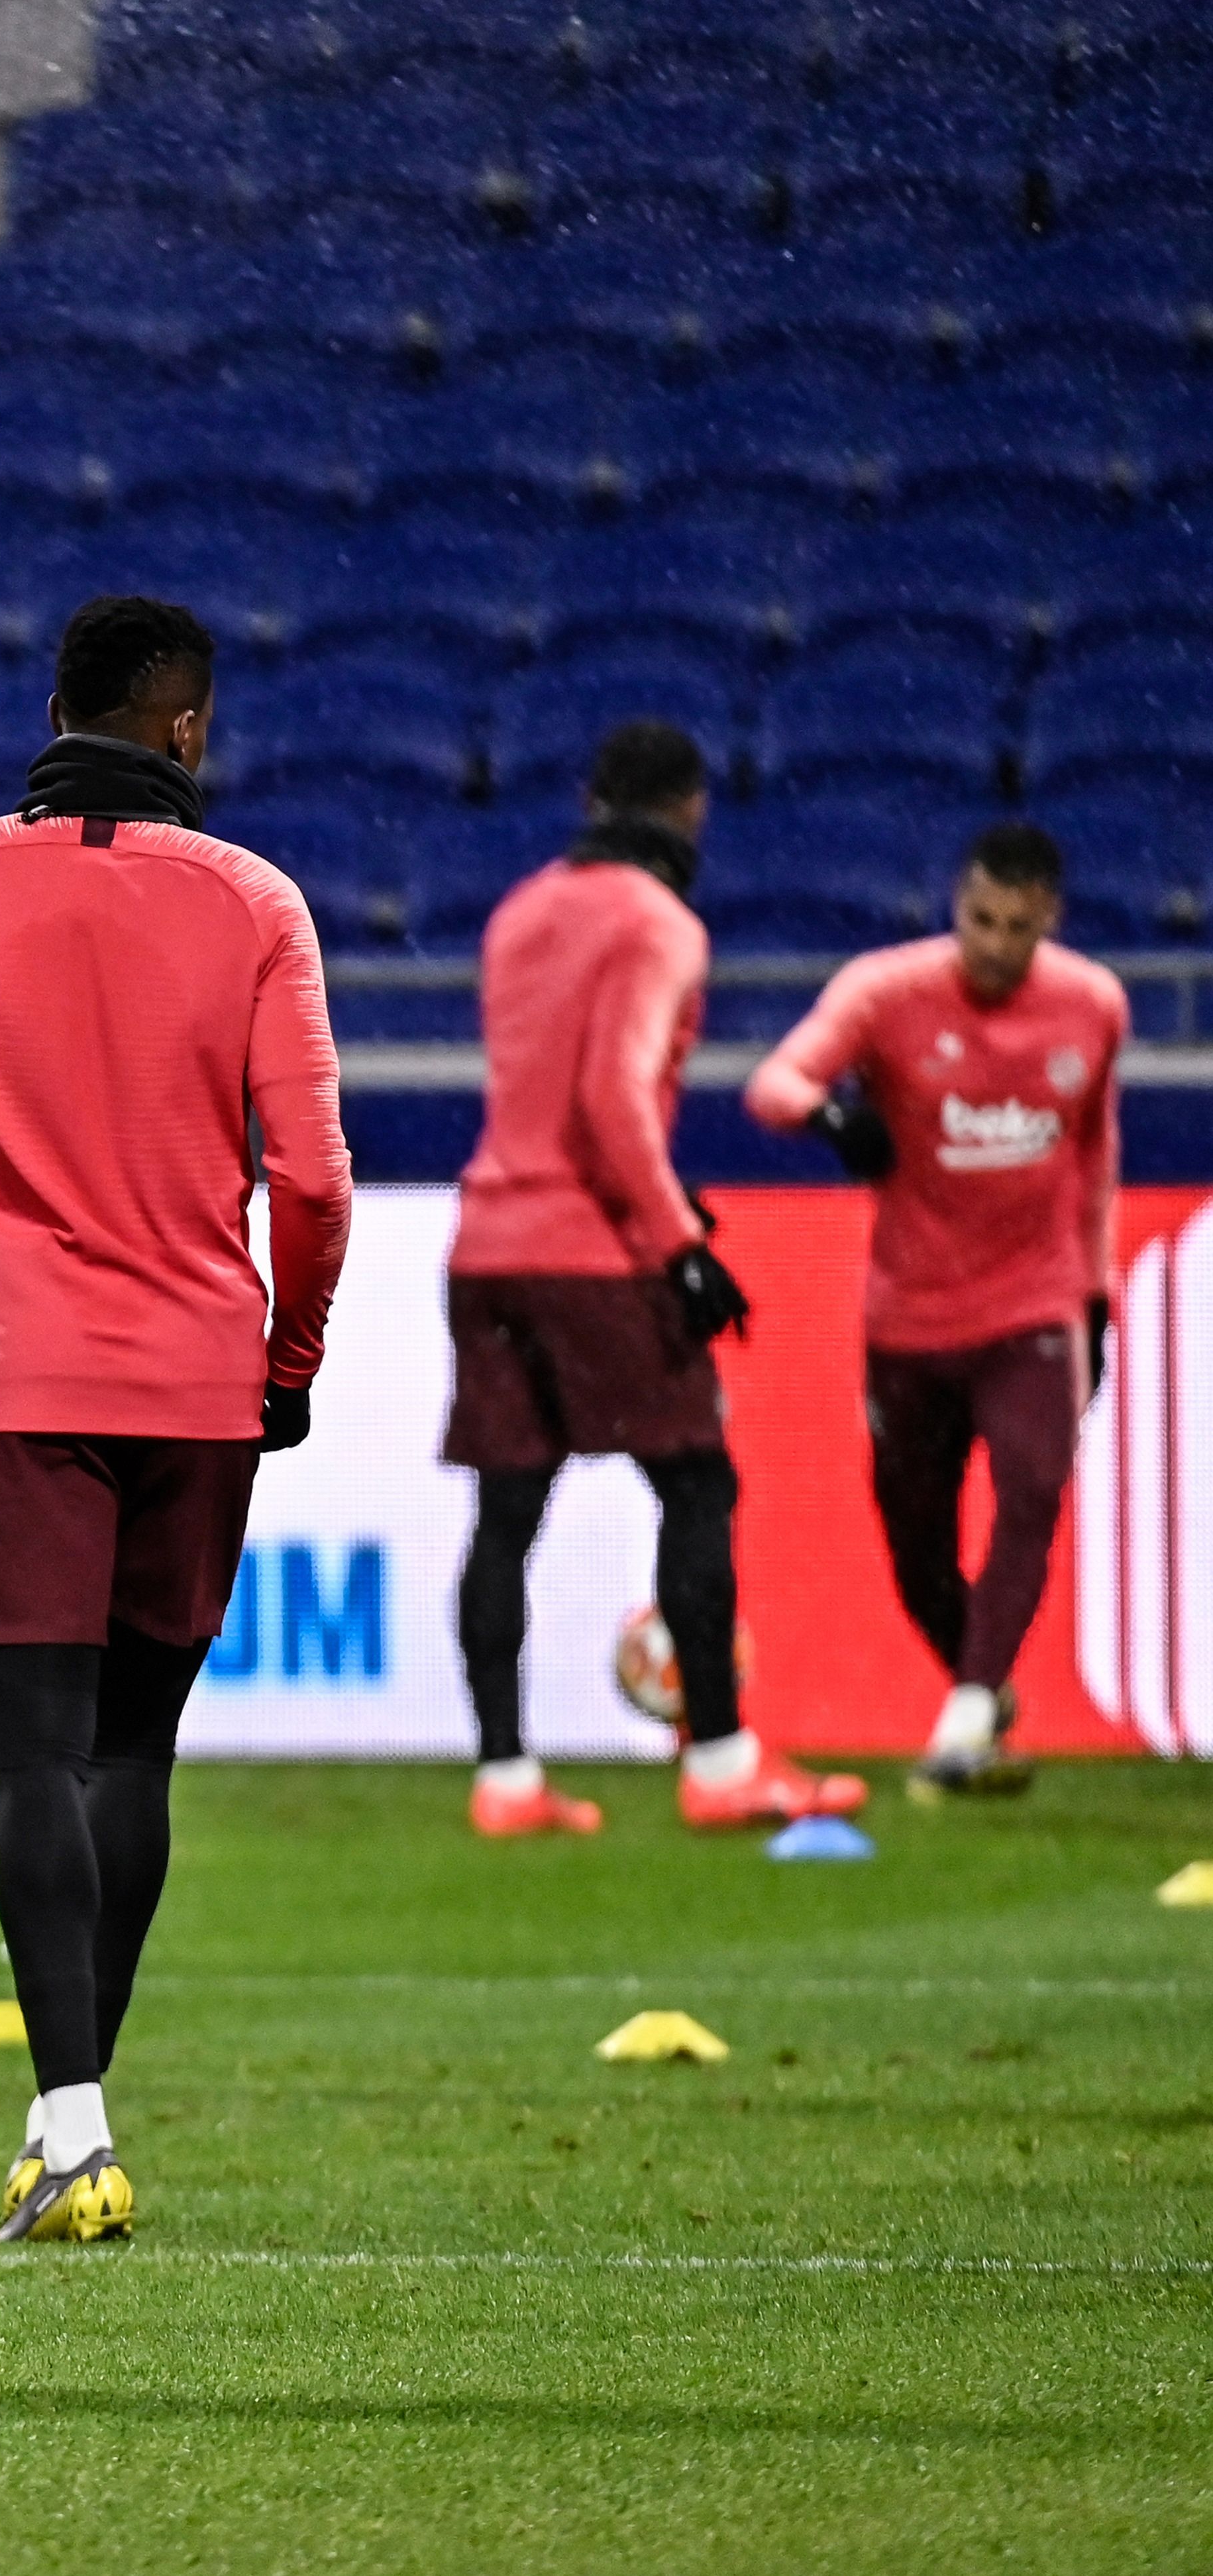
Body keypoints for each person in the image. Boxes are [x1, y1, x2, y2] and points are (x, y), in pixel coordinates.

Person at [0, 595, 351, 2246]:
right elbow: (317, 1180)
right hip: (198, 1383)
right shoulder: (259, 902)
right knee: (136, 1754)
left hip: (19, 1382)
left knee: (32, 1759)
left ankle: (73, 2129)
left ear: (52, 705)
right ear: (189, 729)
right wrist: (287, 1356)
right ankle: (72, 2118)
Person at [445, 721, 864, 1836]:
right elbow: (613, 1103)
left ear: (590, 800)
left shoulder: (519, 911)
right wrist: (681, 1246)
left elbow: (540, 1091)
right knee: (694, 1482)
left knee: (505, 1513)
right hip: (593, 1247)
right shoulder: (661, 925)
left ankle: (504, 1782)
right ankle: (723, 1765)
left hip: (486, 1240)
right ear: (690, 812)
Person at [745, 820, 1122, 1802]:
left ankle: (963, 1712)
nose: (994, 944)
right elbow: (773, 1082)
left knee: (1035, 1486)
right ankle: (977, 1693)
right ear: (955, 905)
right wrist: (830, 1114)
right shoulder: (885, 992)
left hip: (1033, 1305)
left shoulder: (1091, 1008)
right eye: (978, 920)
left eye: (1015, 926)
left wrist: (1095, 1289)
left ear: (1050, 919)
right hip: (909, 1318)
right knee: (913, 1537)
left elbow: (1091, 1164)